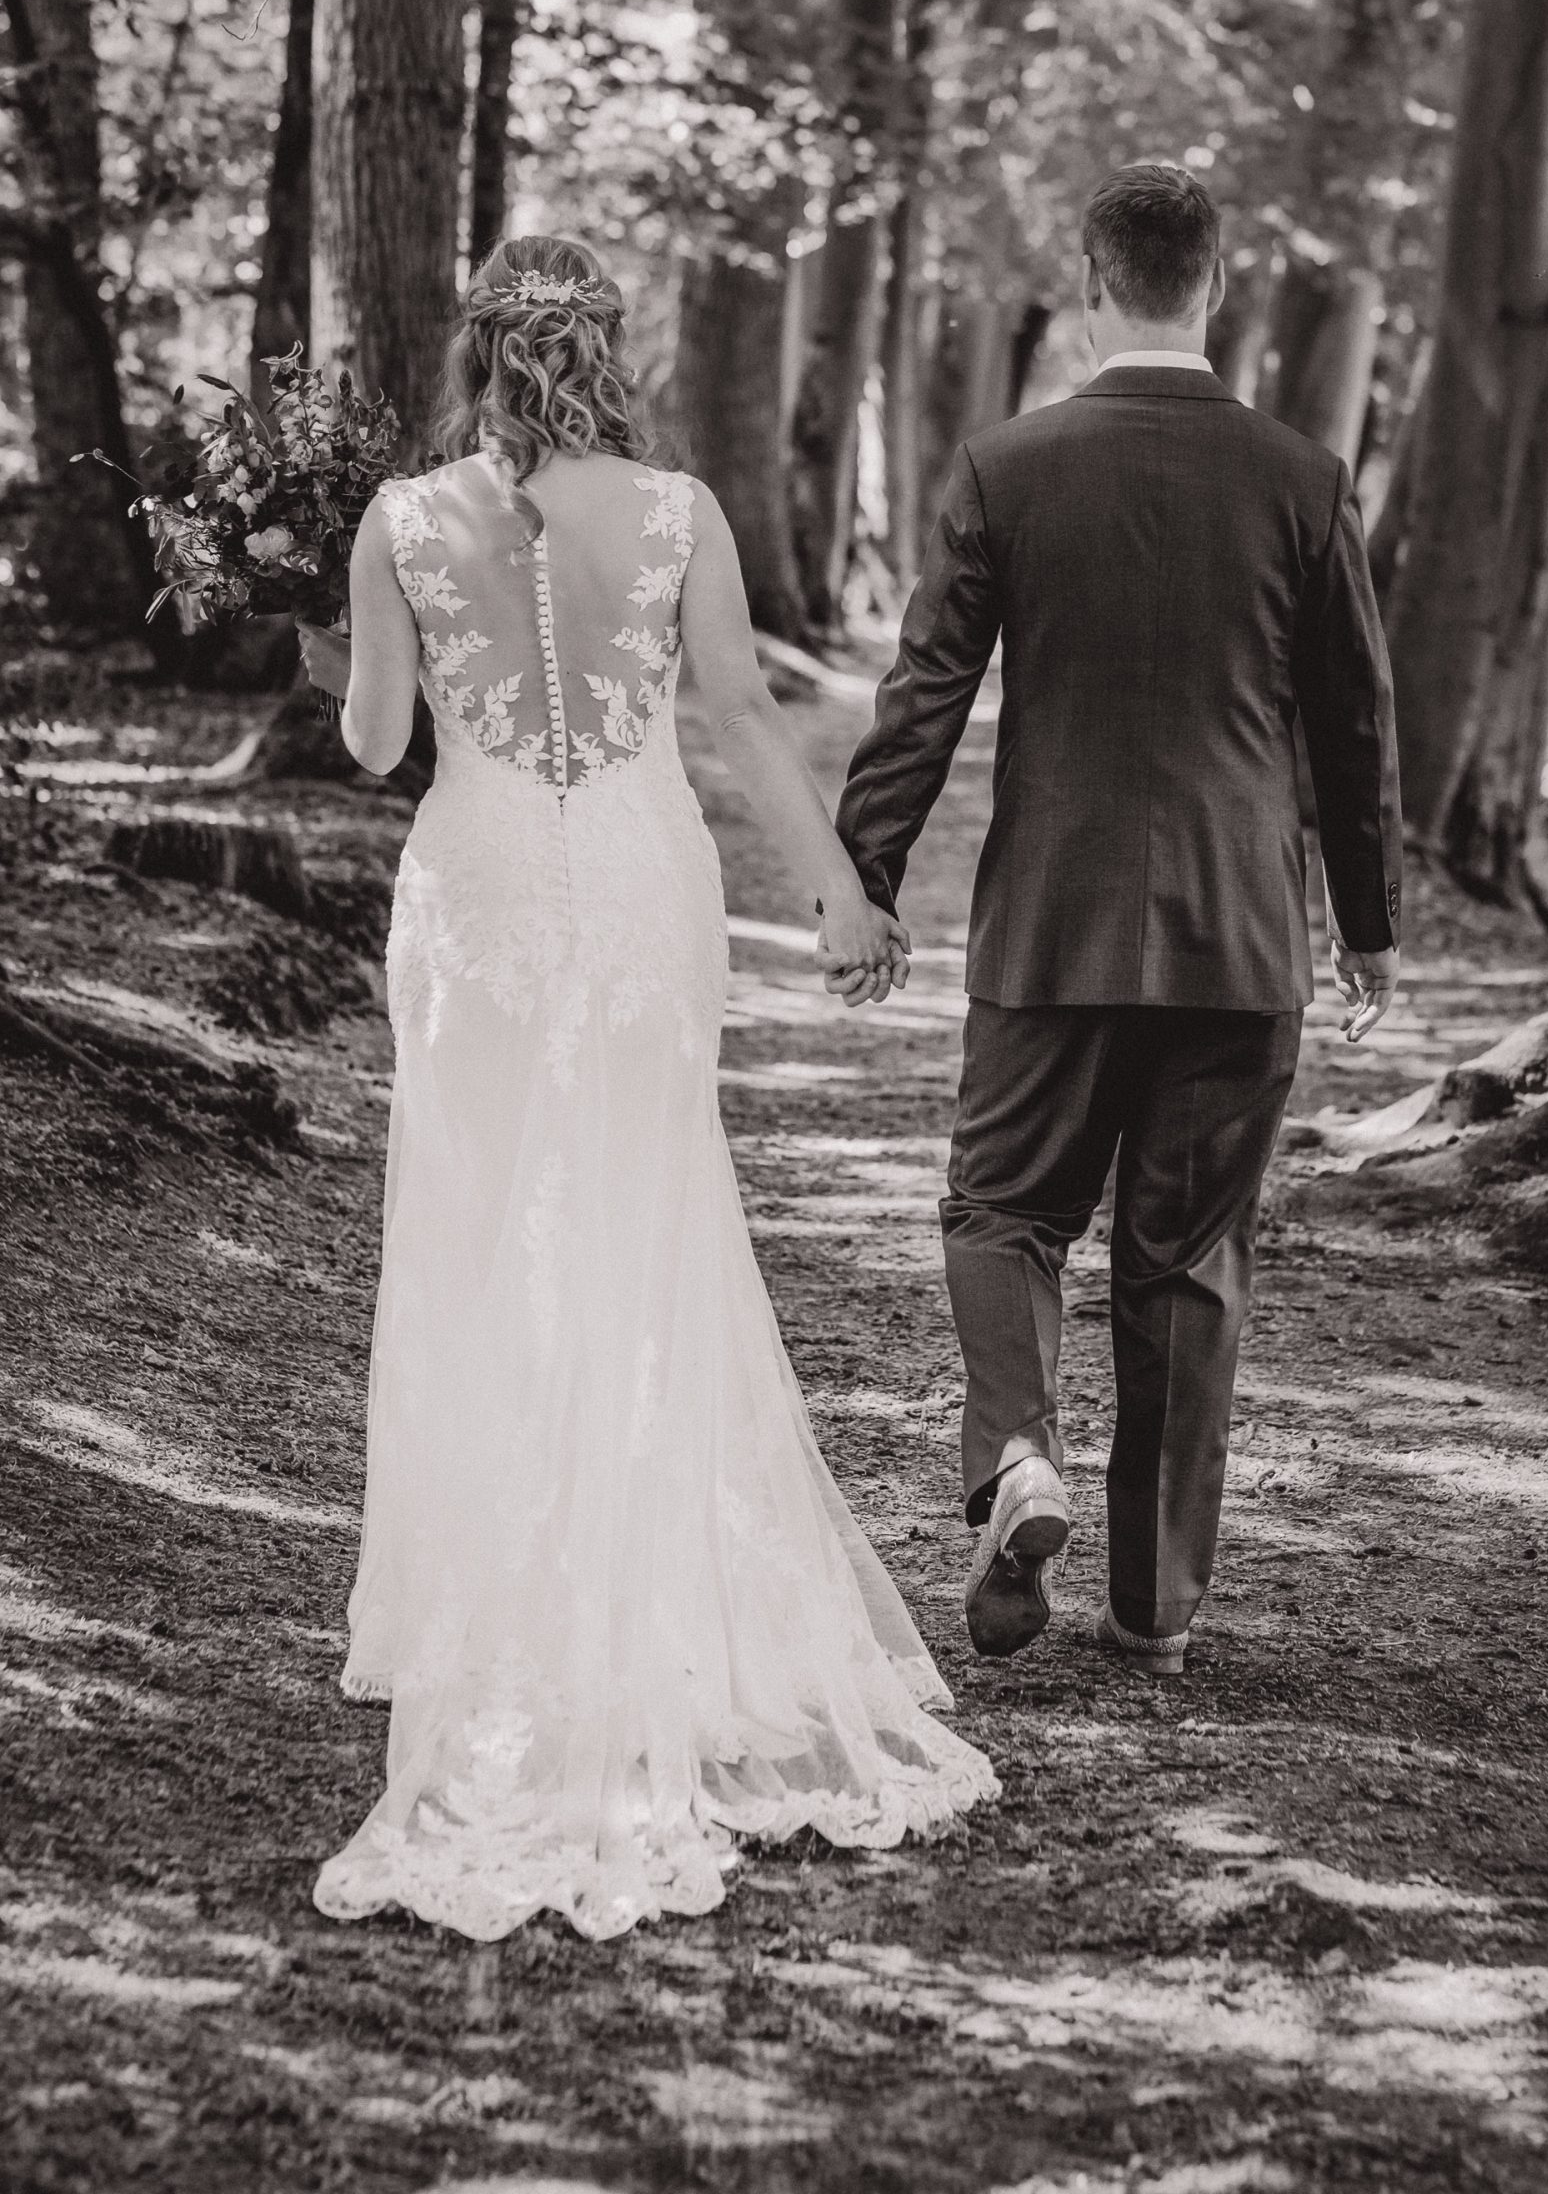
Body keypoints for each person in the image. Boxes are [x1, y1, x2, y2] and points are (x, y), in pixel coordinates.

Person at [298, 234, 996, 1944]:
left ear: (476, 355)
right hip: (634, 888)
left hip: (474, 899)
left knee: (473, 1231)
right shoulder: (680, 511)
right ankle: (652, 1586)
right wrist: (839, 889)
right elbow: (744, 718)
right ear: (606, 351)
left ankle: (497, 1600)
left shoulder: (397, 522)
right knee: (650, 1215)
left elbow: (381, 748)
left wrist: (331, 648)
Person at [833, 161, 1402, 1675]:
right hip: (1239, 939)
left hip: (1053, 926)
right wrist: (1372, 920)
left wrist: (867, 872)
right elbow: (1354, 722)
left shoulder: (1004, 466)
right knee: (1186, 1263)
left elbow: (926, 699)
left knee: (1002, 1208)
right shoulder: (1300, 476)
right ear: (1213, 288)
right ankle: (1151, 1605)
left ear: (1093, 291)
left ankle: (1018, 1453)